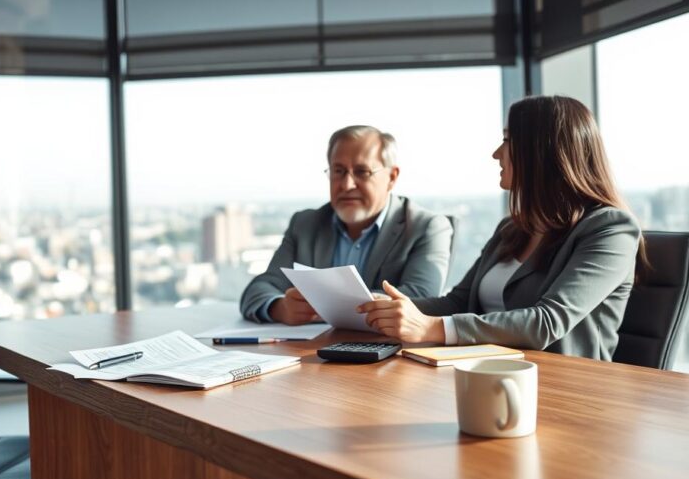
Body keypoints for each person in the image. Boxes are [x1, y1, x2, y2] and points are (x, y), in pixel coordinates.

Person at [357, 95, 643, 361]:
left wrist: (432, 328)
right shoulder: (512, 228)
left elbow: (546, 322)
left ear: (542, 152)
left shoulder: (611, 229)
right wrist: (383, 307)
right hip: (487, 370)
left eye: (507, 140)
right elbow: (458, 302)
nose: (496, 153)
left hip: (564, 386)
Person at [240, 125, 454, 324]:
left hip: (387, 355)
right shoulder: (305, 224)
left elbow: (422, 300)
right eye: (339, 171)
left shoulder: (427, 227)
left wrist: (324, 305)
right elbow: (260, 288)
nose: (347, 184)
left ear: (392, 177)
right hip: (312, 353)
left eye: (362, 172)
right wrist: (280, 307)